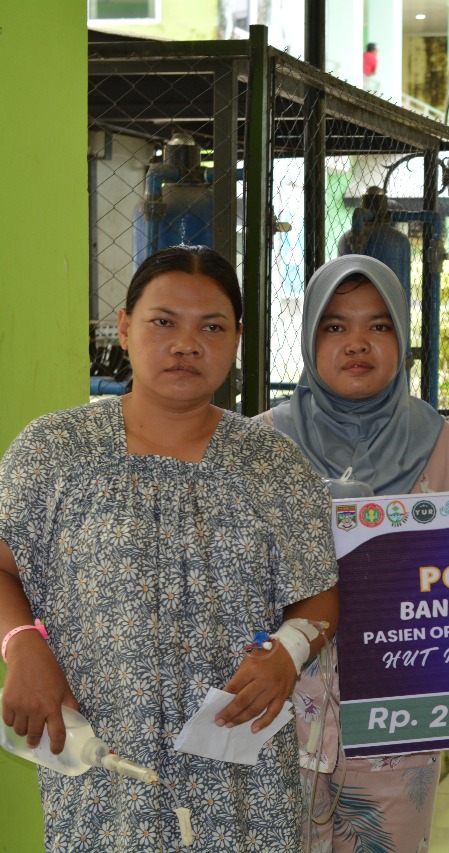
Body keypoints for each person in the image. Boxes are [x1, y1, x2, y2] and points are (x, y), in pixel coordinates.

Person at [0, 245, 339, 851]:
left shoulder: (273, 464)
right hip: (104, 770)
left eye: (212, 327)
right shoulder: (54, 451)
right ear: (125, 327)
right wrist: (22, 645)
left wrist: (286, 655)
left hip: (241, 776)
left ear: (236, 340)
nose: (186, 345)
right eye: (163, 322)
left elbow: (317, 597)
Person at [260, 254, 449, 851]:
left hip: (398, 728)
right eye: (335, 326)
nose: (357, 343)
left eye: (379, 325)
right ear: (310, 338)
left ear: (402, 338)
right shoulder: (258, 446)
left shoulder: (448, 451)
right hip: (276, 723)